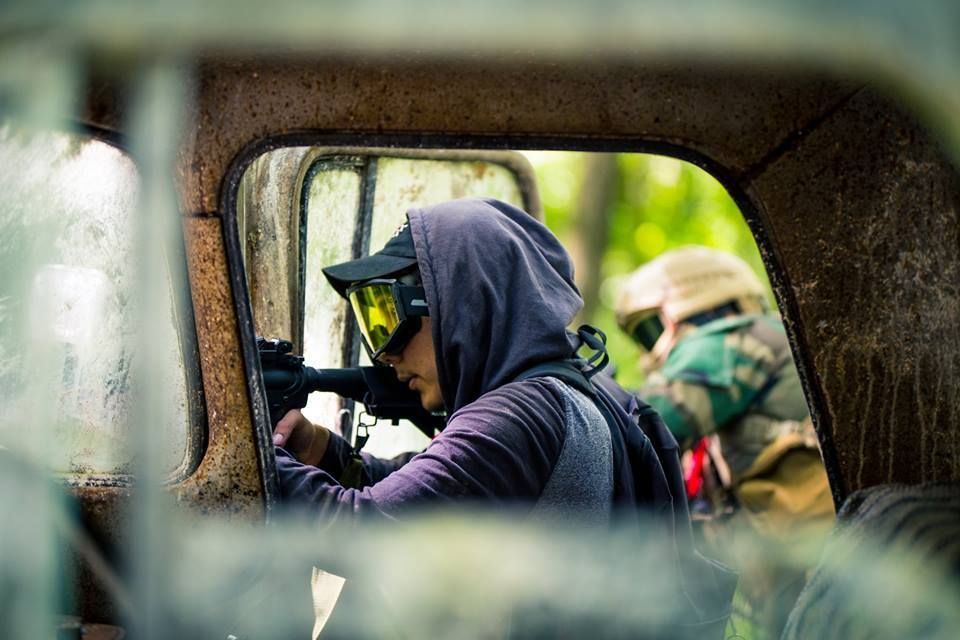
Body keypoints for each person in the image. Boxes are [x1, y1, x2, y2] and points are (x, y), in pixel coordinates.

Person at [272, 198, 735, 635]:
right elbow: (428, 488)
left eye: (387, 319)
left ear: (460, 301)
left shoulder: (521, 413)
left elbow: (363, 531)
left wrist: (253, 454)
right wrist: (318, 450)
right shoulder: (564, 396)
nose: (385, 356)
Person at [615, 245, 834, 636]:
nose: (649, 350)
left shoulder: (732, 340)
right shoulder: (775, 338)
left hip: (822, 574)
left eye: (649, 330)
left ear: (694, 305)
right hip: (817, 576)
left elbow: (643, 424)